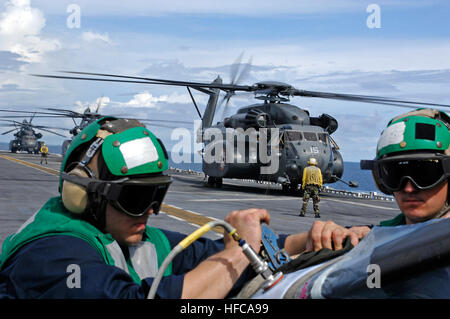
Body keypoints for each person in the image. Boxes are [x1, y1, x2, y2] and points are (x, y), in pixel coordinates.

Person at [0, 116, 309, 299]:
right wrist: (238, 253)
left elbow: (208, 256)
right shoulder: (51, 254)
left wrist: (307, 242)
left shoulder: (138, 238)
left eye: (156, 195)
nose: (151, 211)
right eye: (135, 199)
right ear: (84, 195)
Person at [302, 108, 450, 252]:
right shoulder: (382, 233)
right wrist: (325, 235)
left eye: (426, 174)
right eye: (394, 174)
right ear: (381, 180)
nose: (408, 188)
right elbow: (282, 244)